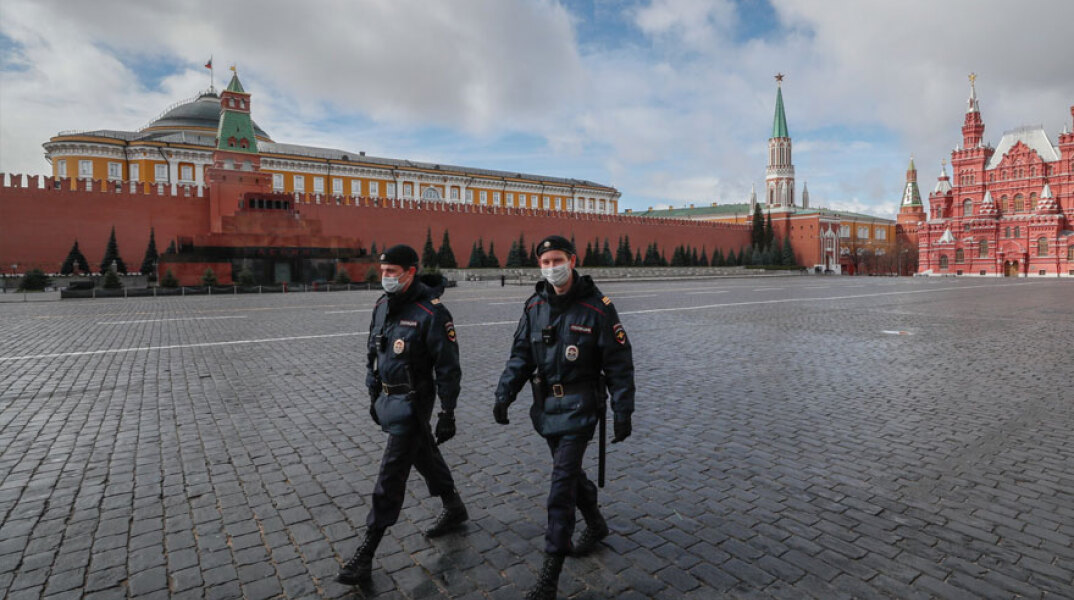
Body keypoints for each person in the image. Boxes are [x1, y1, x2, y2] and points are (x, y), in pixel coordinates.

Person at [493, 235, 635, 600]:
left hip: (580, 407)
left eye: (557, 260)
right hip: (546, 409)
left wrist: (623, 411)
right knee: (568, 474)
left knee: (560, 488)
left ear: (572, 260)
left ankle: (549, 577)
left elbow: (619, 364)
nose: (551, 267)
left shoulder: (598, 308)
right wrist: (504, 394)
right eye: (545, 262)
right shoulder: (534, 306)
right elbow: (521, 355)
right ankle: (596, 524)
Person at [337, 244, 468, 584]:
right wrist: (372, 391)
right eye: (383, 271)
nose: (386, 277)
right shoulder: (382, 305)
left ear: (410, 272)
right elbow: (373, 351)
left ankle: (367, 552)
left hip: (414, 401)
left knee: (391, 474)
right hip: (389, 398)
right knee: (422, 453)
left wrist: (448, 411)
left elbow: (448, 368)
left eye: (392, 272)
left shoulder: (432, 313)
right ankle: (454, 506)